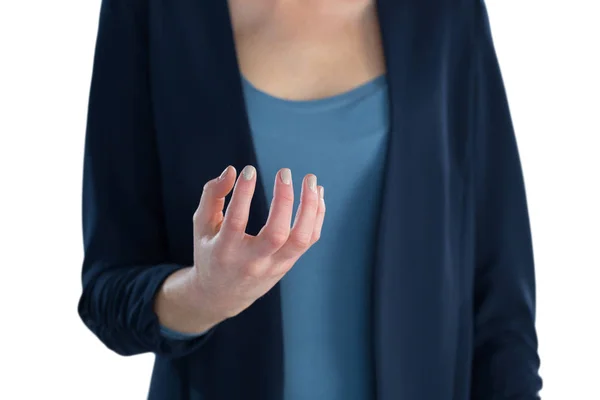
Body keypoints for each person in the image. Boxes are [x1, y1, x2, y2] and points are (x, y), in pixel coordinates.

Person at [78, 0, 543, 399]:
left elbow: (500, 299)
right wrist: (204, 295)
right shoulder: (153, 11)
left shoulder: (446, 12)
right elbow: (108, 290)